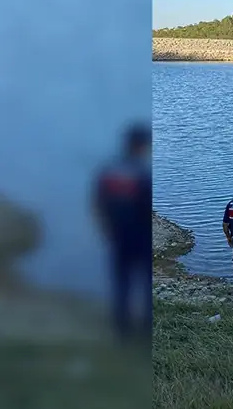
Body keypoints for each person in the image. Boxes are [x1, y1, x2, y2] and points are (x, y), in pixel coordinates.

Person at [93, 123, 153, 342]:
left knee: (122, 282)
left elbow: (99, 203)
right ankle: (146, 329)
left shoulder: (109, 171)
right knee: (146, 282)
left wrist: (107, 229)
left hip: (118, 235)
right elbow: (146, 207)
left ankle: (122, 331)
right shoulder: (142, 173)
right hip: (141, 235)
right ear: (141, 146)